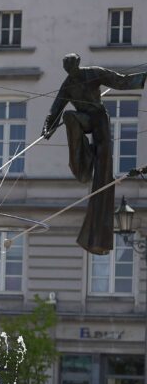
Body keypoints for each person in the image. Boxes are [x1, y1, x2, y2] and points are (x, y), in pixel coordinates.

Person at [42, 53, 146, 255]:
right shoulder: (67, 85)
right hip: (84, 119)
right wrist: (48, 128)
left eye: (71, 66)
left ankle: (98, 233)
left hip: (99, 119)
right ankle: (83, 164)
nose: (69, 71)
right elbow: (55, 110)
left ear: (77, 64)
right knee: (68, 116)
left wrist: (143, 76)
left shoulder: (93, 73)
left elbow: (119, 81)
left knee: (104, 167)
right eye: (66, 68)